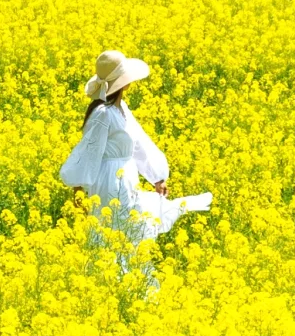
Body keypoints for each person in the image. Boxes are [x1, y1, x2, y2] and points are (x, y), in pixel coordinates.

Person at [60, 51, 212, 249]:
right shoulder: (102, 114)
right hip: (109, 181)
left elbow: (138, 143)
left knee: (128, 232)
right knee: (115, 234)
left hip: (127, 178)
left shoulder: (120, 107)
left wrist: (157, 177)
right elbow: (88, 152)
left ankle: (126, 276)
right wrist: (78, 192)